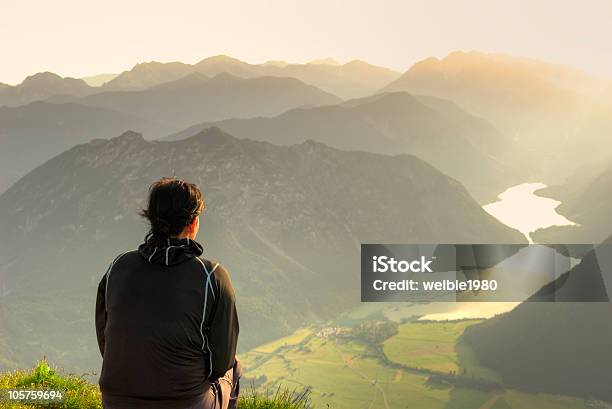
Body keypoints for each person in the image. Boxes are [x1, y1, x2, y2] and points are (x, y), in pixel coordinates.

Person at [95, 177, 240, 409]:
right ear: (193, 222)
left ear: (152, 220)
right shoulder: (212, 276)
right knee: (234, 367)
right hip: (185, 402)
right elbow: (219, 364)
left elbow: (107, 339)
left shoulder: (118, 267)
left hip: (116, 401)